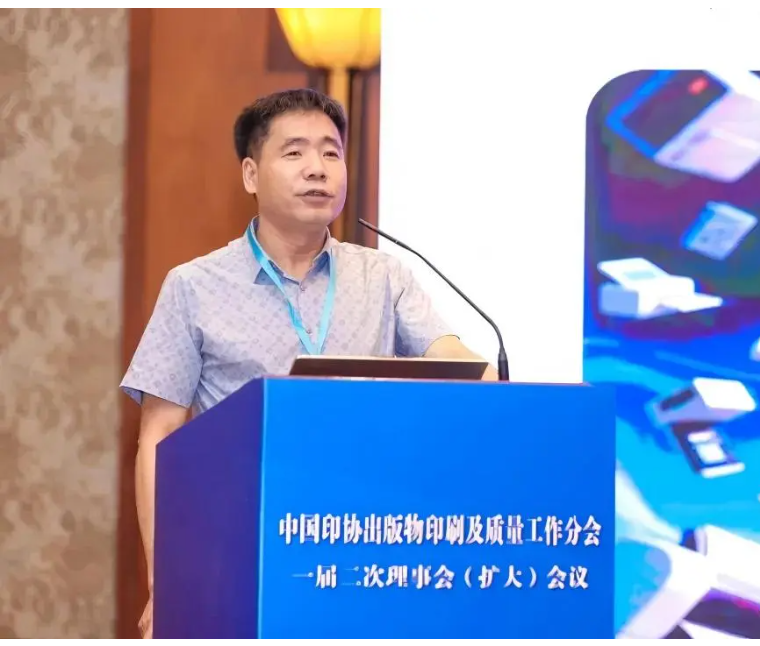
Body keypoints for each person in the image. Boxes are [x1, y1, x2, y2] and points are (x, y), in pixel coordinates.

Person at [121, 88, 497, 638]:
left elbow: (452, 357)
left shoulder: (383, 276)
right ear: (251, 174)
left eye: (331, 152)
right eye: (294, 152)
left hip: (368, 544)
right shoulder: (194, 286)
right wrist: (165, 578)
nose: (317, 168)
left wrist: (491, 378)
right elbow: (158, 437)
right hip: (240, 549)